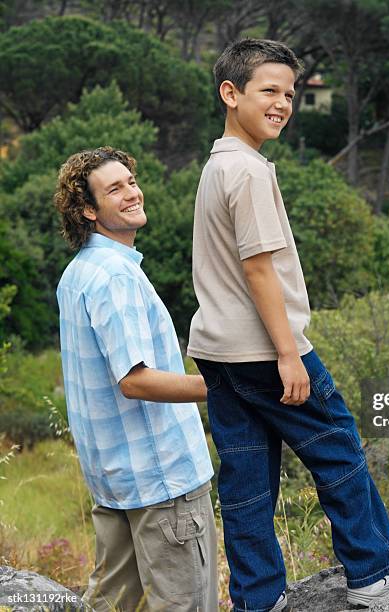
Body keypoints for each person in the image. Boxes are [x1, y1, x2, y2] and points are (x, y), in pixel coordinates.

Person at [188, 39, 389, 612]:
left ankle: (258, 597)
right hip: (266, 351)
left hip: (218, 351)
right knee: (336, 447)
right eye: (269, 90)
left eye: (289, 93)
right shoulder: (248, 171)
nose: (283, 103)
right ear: (231, 93)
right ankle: (371, 569)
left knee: (246, 478)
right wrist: (289, 354)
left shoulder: (218, 165)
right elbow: (260, 268)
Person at [55, 146, 217, 612]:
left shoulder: (78, 272)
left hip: (115, 482)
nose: (132, 192)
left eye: (130, 181)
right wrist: (224, 387)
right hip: (162, 481)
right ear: (88, 210)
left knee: (112, 606)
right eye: (114, 189)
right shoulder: (115, 277)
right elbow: (136, 380)